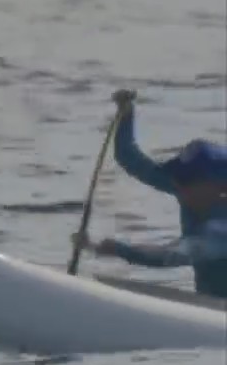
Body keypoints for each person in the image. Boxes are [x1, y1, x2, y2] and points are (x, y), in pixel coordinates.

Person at [70, 89, 227, 298]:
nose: (179, 186)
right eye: (179, 178)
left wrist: (117, 249)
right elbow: (131, 160)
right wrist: (126, 116)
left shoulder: (220, 230)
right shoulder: (191, 191)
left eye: (188, 180)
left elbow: (170, 256)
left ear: (219, 186)